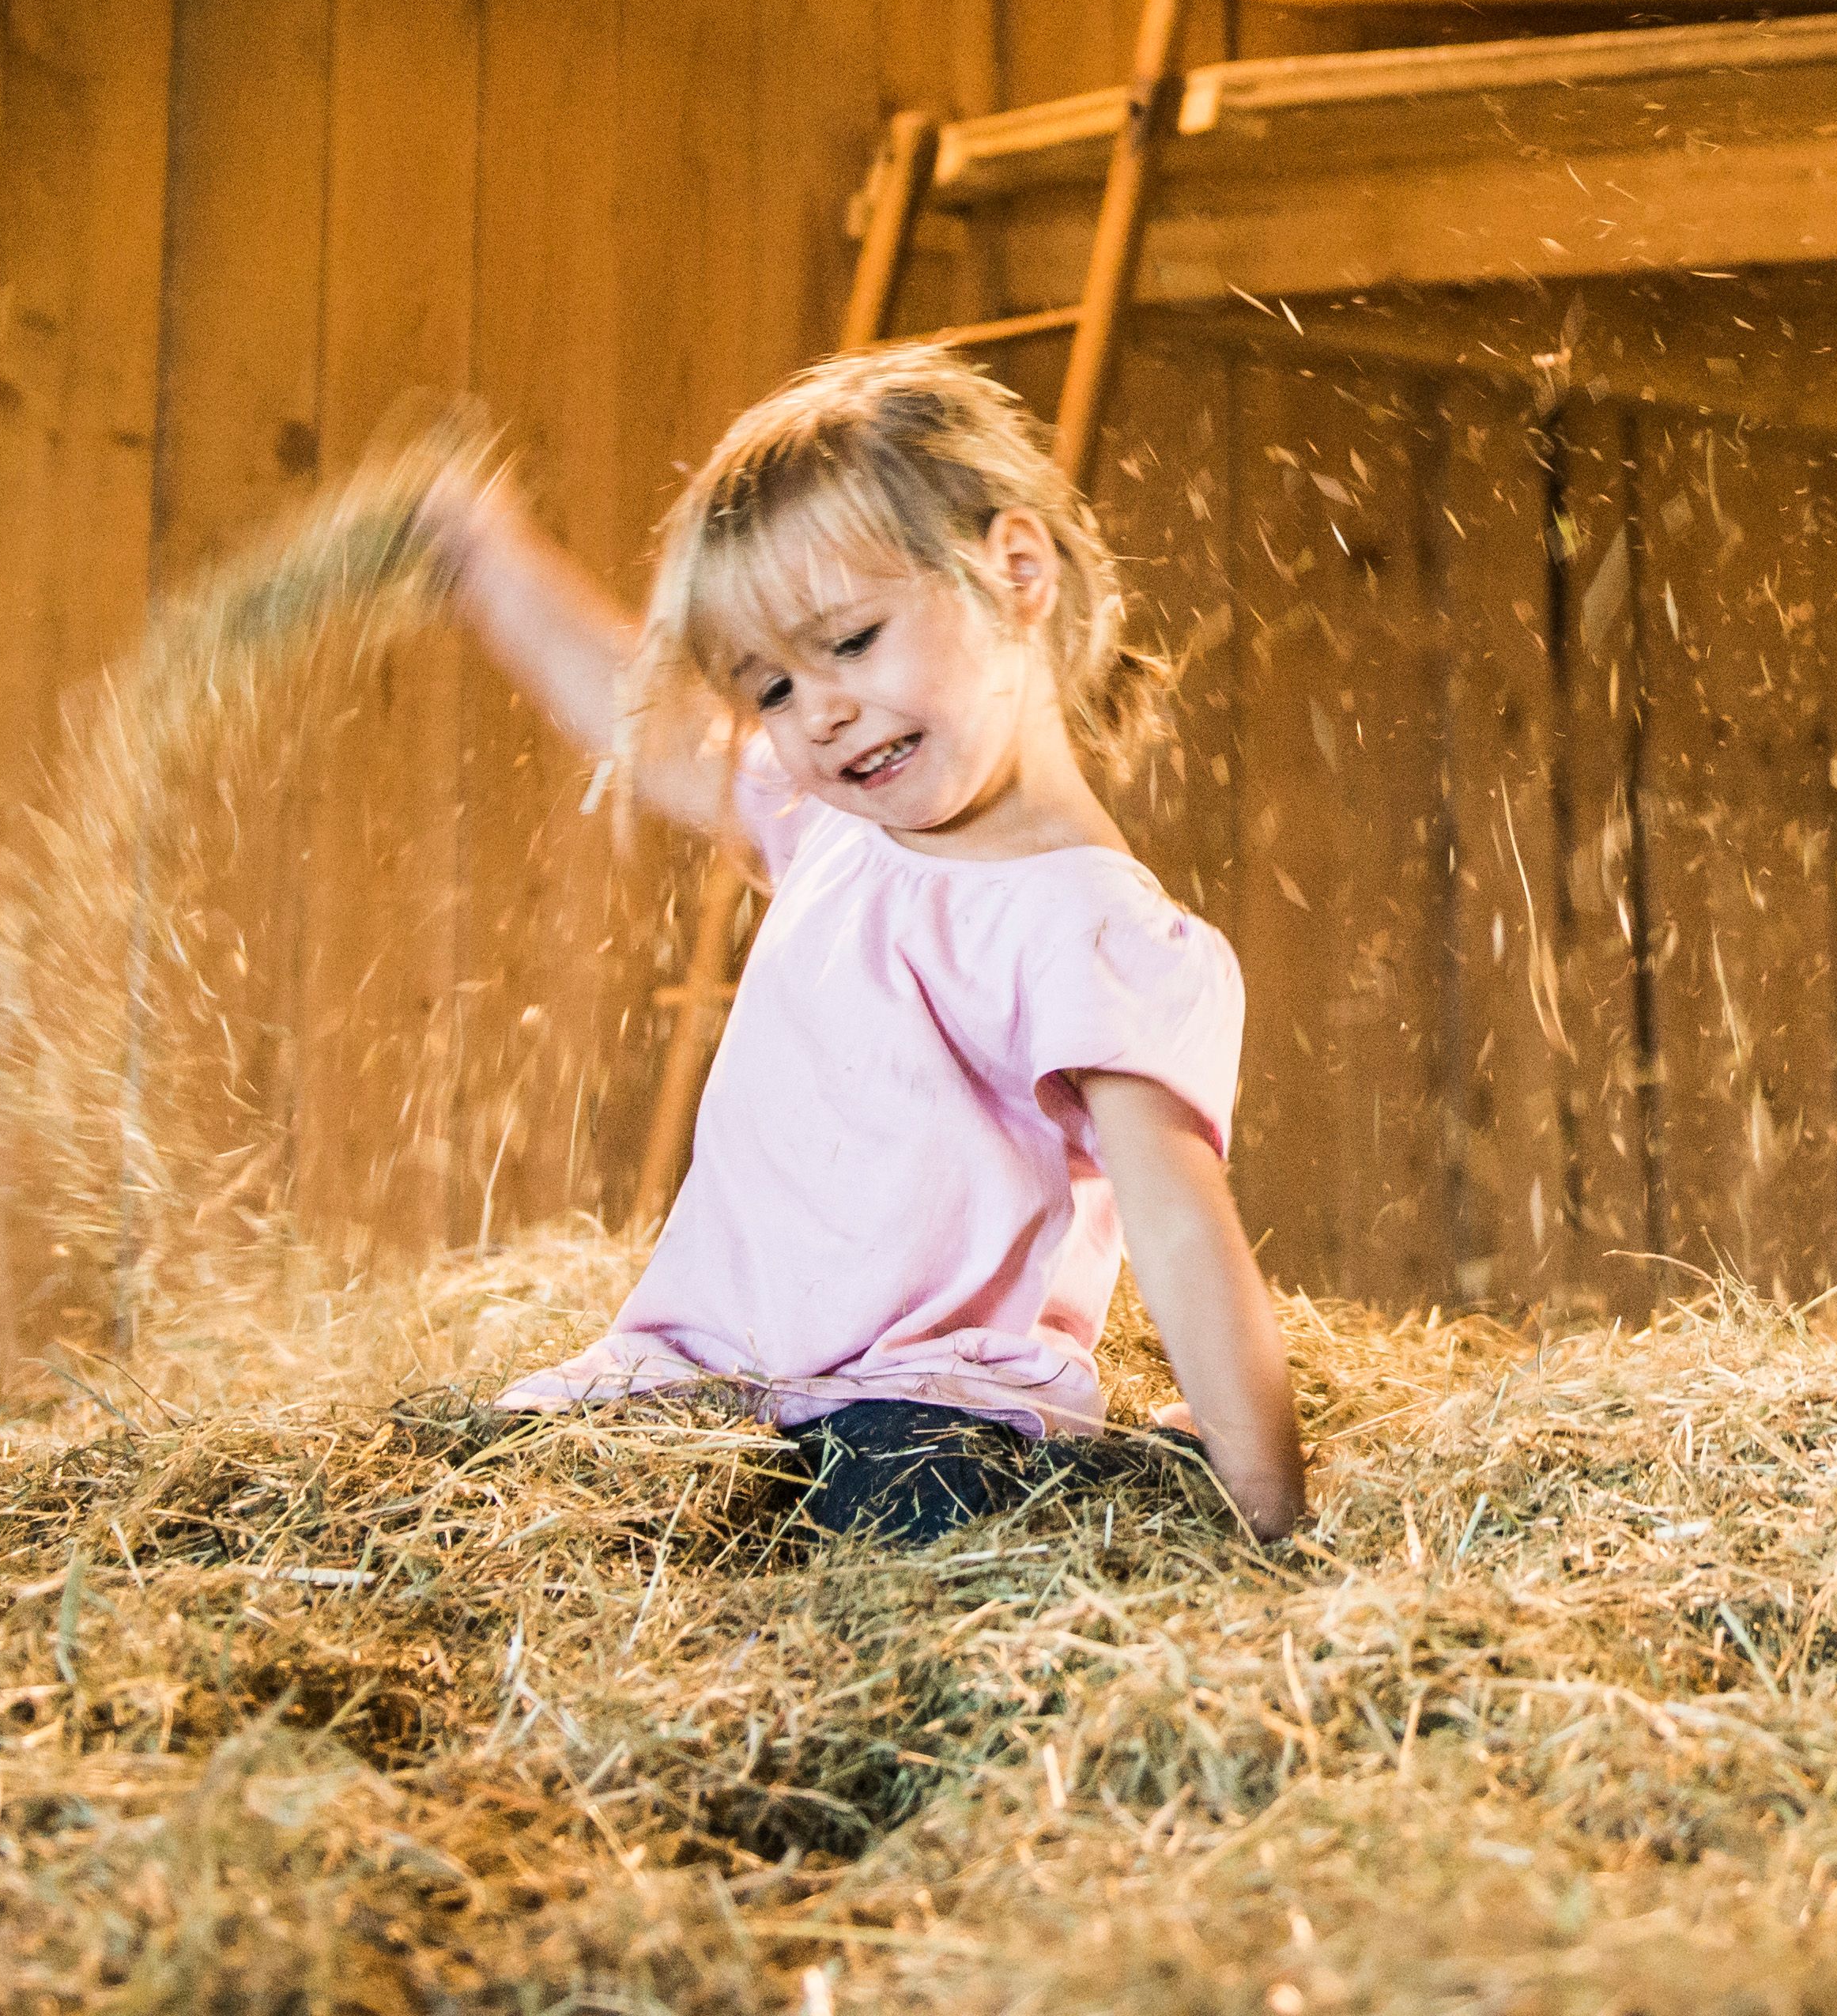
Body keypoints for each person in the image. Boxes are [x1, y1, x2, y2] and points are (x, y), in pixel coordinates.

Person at [416, 347, 1306, 1544]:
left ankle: (1161, 1495)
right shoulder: (828, 824)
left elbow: (1184, 1234)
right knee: (479, 1497)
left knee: (909, 1528)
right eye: (771, 688)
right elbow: (650, 727)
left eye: (851, 642)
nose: (820, 711)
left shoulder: (1098, 931)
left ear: (1017, 572)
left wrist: (1272, 1524)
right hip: (698, 1381)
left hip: (922, 1407)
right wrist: (484, 559)